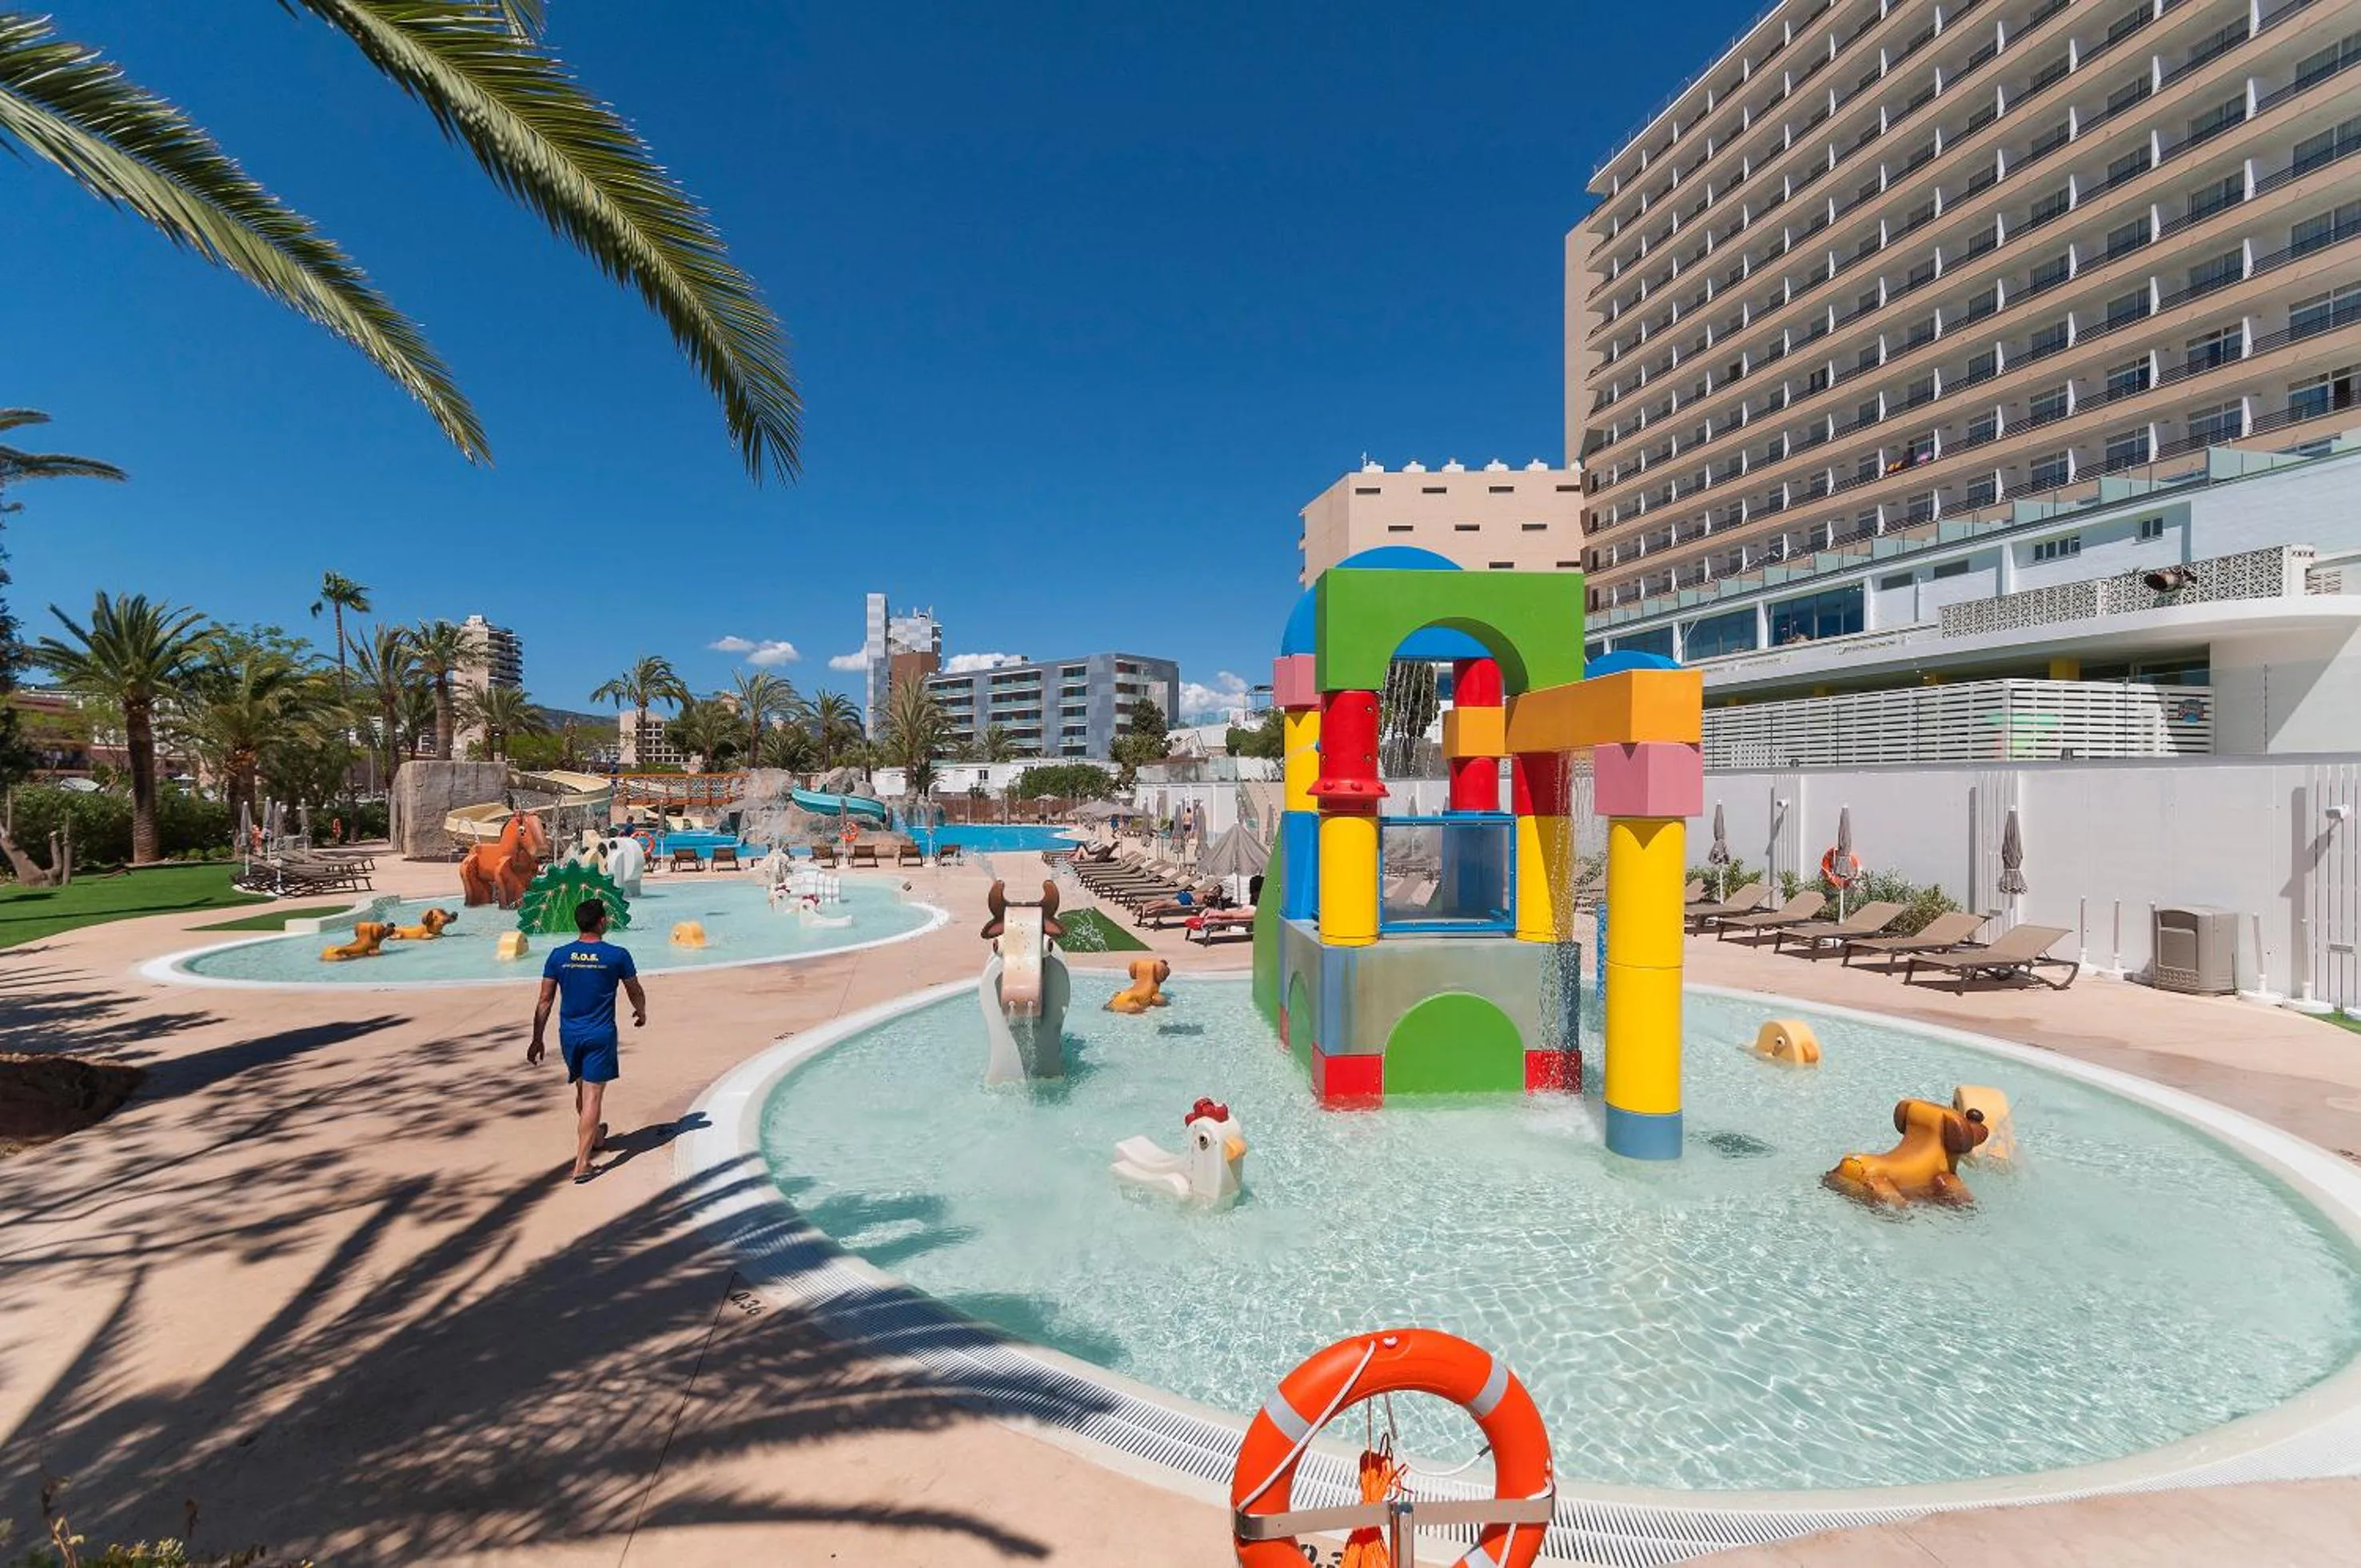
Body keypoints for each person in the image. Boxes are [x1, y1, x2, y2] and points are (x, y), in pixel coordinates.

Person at [528, 898, 646, 1183]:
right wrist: (641, 1011)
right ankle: (582, 1163)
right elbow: (634, 990)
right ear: (602, 922)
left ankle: (595, 1138)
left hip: (570, 1034)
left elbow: (545, 1000)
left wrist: (537, 1038)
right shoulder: (617, 955)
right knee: (593, 1095)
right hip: (600, 1033)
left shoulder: (558, 955)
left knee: (582, 1091)